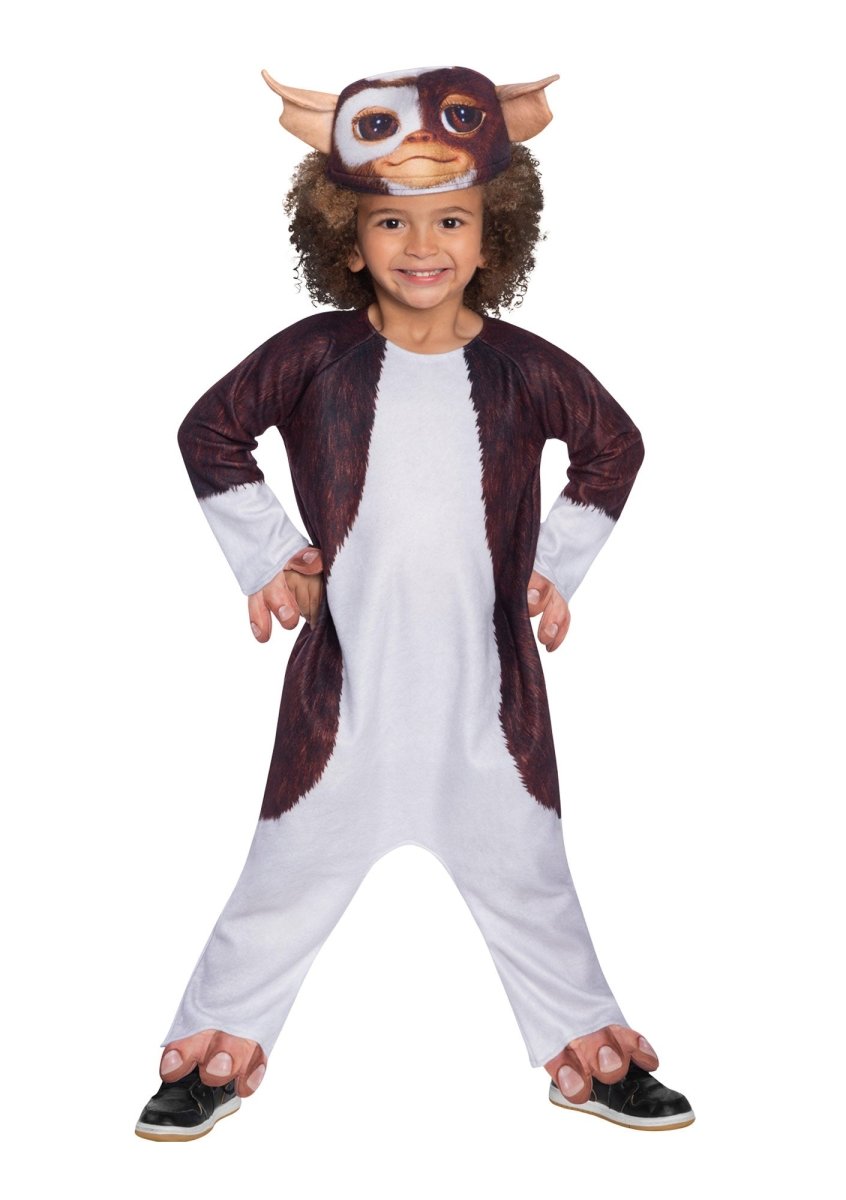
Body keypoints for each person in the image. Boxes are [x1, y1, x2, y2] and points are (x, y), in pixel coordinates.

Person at [135, 64, 694, 1141]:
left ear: (492, 238)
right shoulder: (315, 356)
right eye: (392, 220)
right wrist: (273, 555)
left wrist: (556, 564)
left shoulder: (523, 368)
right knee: (282, 879)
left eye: (452, 220)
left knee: (533, 880)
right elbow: (210, 430)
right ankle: (212, 1048)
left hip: (489, 704)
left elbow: (614, 445)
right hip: (345, 698)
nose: (423, 244)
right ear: (348, 238)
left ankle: (586, 1046)